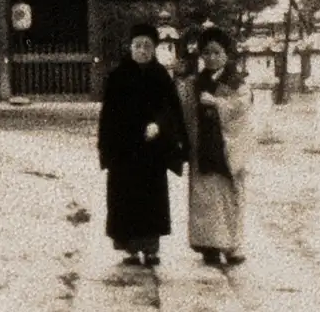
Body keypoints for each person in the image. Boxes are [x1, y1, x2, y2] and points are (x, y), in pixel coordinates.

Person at [98, 23, 190, 267]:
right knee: (124, 197)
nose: (142, 50)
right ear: (130, 48)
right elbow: (108, 115)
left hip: (152, 150)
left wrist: (159, 125)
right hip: (125, 149)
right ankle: (130, 248)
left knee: (152, 198)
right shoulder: (118, 76)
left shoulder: (161, 76)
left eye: (147, 46)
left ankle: (150, 248)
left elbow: (171, 109)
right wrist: (107, 149)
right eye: (137, 45)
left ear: (154, 49)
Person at [181, 26, 253, 266]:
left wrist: (218, 103)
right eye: (206, 53)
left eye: (216, 52)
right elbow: (183, 105)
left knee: (229, 196)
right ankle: (208, 246)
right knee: (204, 198)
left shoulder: (236, 82)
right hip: (202, 146)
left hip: (226, 147)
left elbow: (242, 108)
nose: (211, 57)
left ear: (226, 54)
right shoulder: (195, 82)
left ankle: (232, 246)